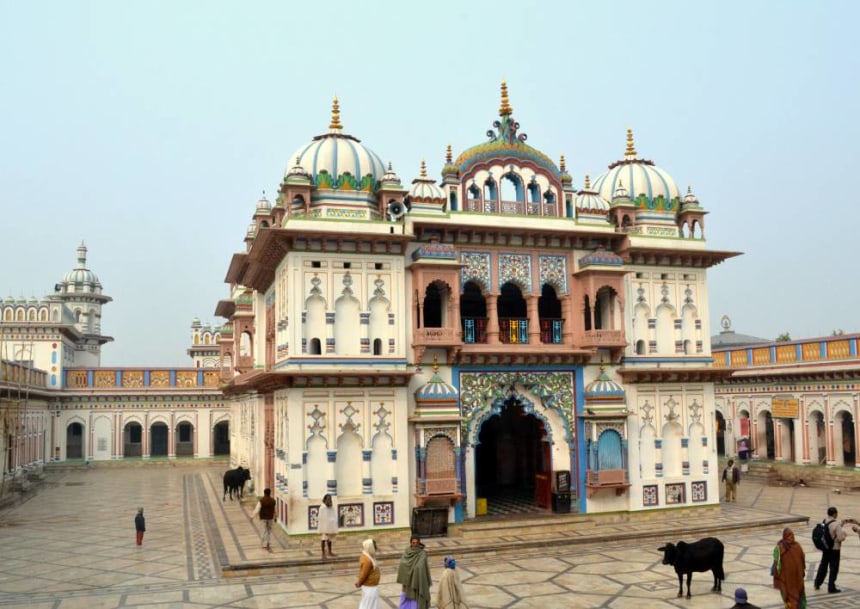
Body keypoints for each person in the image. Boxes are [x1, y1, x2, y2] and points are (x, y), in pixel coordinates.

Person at [814, 506, 848, 593]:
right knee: (833, 568)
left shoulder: (824, 521)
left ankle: (817, 583)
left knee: (823, 566)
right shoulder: (836, 524)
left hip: (826, 548)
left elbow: (829, 529)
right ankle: (831, 587)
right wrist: (844, 534)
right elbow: (840, 538)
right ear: (835, 514)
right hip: (835, 549)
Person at [772, 527, 806, 608]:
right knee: (799, 596)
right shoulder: (797, 546)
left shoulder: (779, 547)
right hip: (797, 577)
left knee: (787, 596)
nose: (792, 537)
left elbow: (776, 563)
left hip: (785, 578)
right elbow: (803, 560)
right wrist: (801, 571)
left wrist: (777, 575)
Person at [396, 535, 431, 609]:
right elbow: (403, 563)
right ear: (410, 543)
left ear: (419, 543)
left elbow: (420, 566)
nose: (415, 544)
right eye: (413, 542)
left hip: (416, 582)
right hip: (407, 583)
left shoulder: (422, 553)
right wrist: (409, 569)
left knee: (414, 602)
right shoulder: (407, 551)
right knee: (405, 598)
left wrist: (414, 569)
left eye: (416, 543)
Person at [355, 538, 380, 609]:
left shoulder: (369, 556)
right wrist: (359, 582)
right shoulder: (367, 560)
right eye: (374, 546)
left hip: (372, 586)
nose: (376, 548)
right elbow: (363, 574)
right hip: (369, 587)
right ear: (370, 547)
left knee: (370, 604)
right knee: (368, 605)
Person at [318, 493, 339, 559]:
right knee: (324, 539)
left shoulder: (331, 507)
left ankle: (330, 551)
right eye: (328, 499)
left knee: (330, 540)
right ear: (325, 500)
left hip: (330, 526)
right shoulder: (322, 508)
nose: (329, 500)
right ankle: (323, 553)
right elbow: (322, 518)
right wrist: (324, 528)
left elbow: (333, 515)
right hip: (324, 527)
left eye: (330, 499)